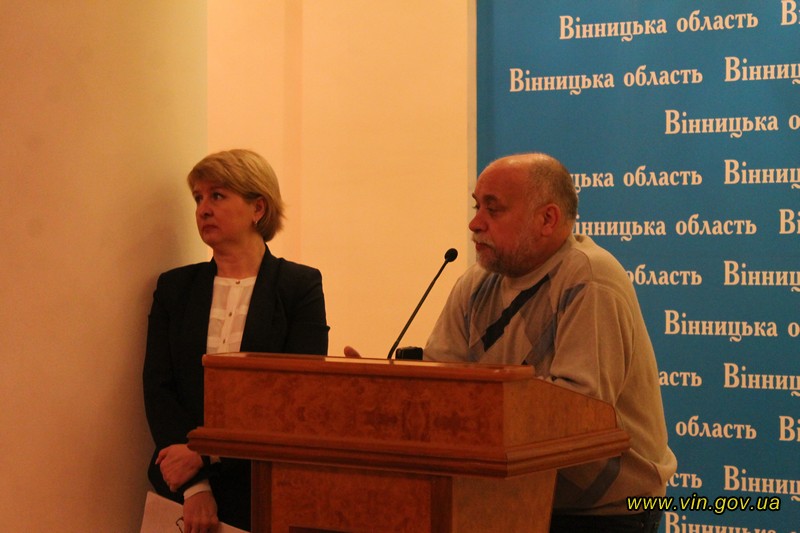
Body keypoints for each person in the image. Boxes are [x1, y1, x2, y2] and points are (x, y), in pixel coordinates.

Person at [422, 152, 677, 532]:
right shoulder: (476, 283)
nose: (475, 223)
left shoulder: (589, 278)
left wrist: (479, 403)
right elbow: (441, 380)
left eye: (493, 209)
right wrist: (393, 390)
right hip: (508, 496)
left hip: (602, 512)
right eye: (477, 207)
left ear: (547, 219)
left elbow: (579, 411)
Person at [143, 149, 329, 532]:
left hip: (265, 483)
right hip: (181, 485)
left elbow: (297, 396)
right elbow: (159, 387)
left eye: (217, 195)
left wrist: (206, 456)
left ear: (257, 208)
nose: (203, 209)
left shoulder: (299, 286)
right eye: (198, 198)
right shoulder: (175, 288)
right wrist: (196, 486)